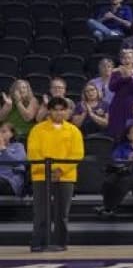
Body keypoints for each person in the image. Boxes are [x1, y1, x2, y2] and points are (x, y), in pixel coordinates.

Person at [26, 98, 83, 252]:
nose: (58, 113)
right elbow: (33, 152)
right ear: (49, 111)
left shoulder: (74, 131)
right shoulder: (37, 129)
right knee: (41, 212)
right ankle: (38, 242)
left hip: (65, 177)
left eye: (62, 109)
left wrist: (60, 170)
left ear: (67, 111)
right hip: (41, 176)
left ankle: (60, 242)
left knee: (62, 213)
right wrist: (48, 170)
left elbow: (77, 154)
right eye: (55, 109)